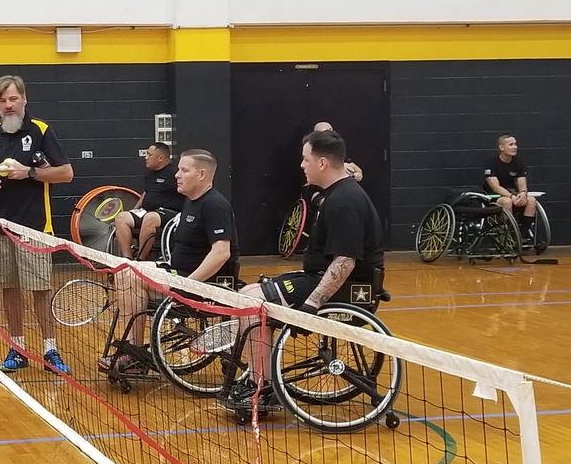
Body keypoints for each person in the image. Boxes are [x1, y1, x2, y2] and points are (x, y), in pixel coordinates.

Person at [221, 130, 384, 413]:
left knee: (250, 305)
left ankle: (262, 386)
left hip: (346, 288)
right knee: (246, 293)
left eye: (305, 159)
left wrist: (311, 304)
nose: (301, 165)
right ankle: (259, 378)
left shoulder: (345, 201)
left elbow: (344, 262)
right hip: (319, 277)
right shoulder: (333, 195)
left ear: (321, 163)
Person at [99, 149, 240, 371]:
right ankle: (135, 350)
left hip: (200, 284)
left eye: (184, 170)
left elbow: (222, 252)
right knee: (126, 270)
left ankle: (135, 353)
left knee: (129, 275)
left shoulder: (214, 205)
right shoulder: (191, 202)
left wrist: (187, 285)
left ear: (202, 174)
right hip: (177, 273)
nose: (177, 174)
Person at [0, 75, 75, 375]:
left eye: (13, 98)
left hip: (34, 228)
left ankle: (50, 350)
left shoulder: (41, 131)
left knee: (40, 290)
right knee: (9, 289)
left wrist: (28, 172)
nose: (8, 105)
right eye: (3, 100)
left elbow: (66, 173)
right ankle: (16, 348)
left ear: (24, 99)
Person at [112, 142, 185, 260]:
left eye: (149, 155)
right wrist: (134, 209)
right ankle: (128, 260)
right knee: (121, 217)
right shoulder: (149, 174)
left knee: (150, 217)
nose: (145, 157)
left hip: (171, 214)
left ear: (160, 158)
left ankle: (140, 260)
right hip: (148, 211)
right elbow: (146, 193)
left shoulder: (175, 174)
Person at [483, 134, 537, 239]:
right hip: (495, 196)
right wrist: (511, 196)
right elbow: (495, 187)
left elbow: (522, 183)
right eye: (511, 144)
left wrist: (522, 193)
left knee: (531, 200)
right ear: (501, 147)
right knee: (507, 201)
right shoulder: (491, 163)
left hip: (513, 194)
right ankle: (508, 234)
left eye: (515, 144)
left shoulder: (518, 163)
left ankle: (523, 234)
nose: (515, 147)